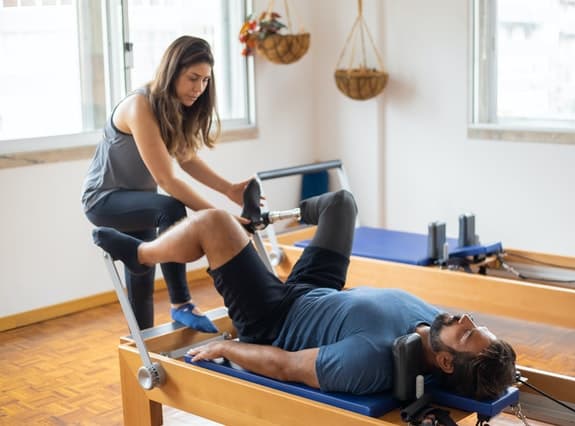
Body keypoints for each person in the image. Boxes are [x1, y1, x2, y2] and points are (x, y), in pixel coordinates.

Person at [92, 189, 517, 399]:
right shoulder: (440, 325)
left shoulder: (369, 360)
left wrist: (228, 347)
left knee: (214, 224)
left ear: (444, 361)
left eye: (466, 334)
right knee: (342, 205)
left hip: (274, 319)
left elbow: (287, 365)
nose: (464, 320)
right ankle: (263, 218)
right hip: (319, 294)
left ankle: (141, 256)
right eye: (475, 325)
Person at [81, 35, 251, 332]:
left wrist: (229, 189)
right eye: (192, 78)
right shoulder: (140, 106)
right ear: (172, 72)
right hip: (103, 199)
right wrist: (220, 218)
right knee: (170, 208)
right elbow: (167, 179)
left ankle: (141, 347)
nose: (199, 88)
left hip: (138, 200)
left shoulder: (174, 107)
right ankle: (181, 303)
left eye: (205, 80)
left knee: (141, 273)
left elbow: (186, 160)